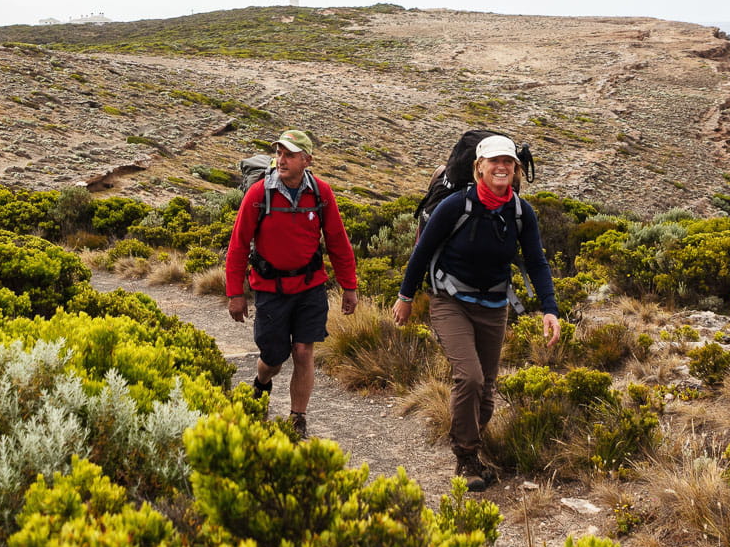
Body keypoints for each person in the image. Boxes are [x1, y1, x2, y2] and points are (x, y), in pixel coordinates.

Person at [392, 134, 560, 490]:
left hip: (494, 305)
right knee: (469, 377)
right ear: (479, 167)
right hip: (449, 300)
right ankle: (465, 456)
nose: (502, 167)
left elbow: (537, 262)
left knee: (486, 390)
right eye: (494, 162)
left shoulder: (520, 212)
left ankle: (473, 446)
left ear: (515, 170)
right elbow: (421, 253)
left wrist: (550, 309)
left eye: (509, 163)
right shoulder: (455, 205)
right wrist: (405, 297)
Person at [226, 128, 359, 438]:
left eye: (289, 154)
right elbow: (238, 244)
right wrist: (235, 293)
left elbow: (338, 241)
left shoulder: (322, 193)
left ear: (306, 160)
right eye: (279, 153)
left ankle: (297, 418)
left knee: (302, 351)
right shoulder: (259, 194)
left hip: (310, 287)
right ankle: (261, 383)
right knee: (273, 358)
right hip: (270, 290)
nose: (281, 160)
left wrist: (349, 286)